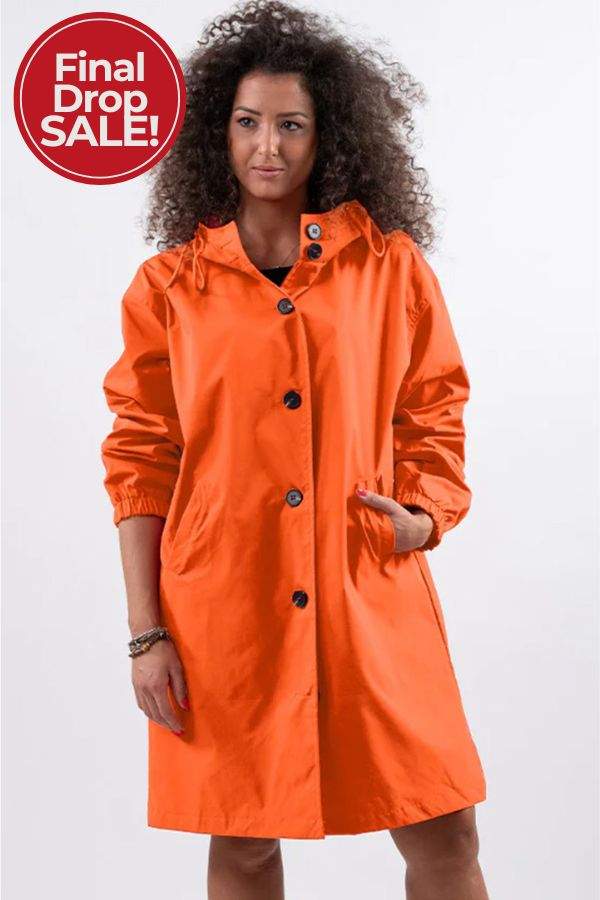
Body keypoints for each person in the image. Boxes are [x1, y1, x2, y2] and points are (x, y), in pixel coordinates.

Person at [100, 1, 490, 897]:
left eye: (291, 125)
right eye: (247, 122)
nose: (266, 147)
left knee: (445, 828)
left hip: (368, 591)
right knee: (242, 841)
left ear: (329, 137)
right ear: (216, 133)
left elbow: (434, 409)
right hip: (225, 606)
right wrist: (146, 633)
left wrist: (423, 516)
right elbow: (140, 462)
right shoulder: (169, 287)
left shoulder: (389, 266)